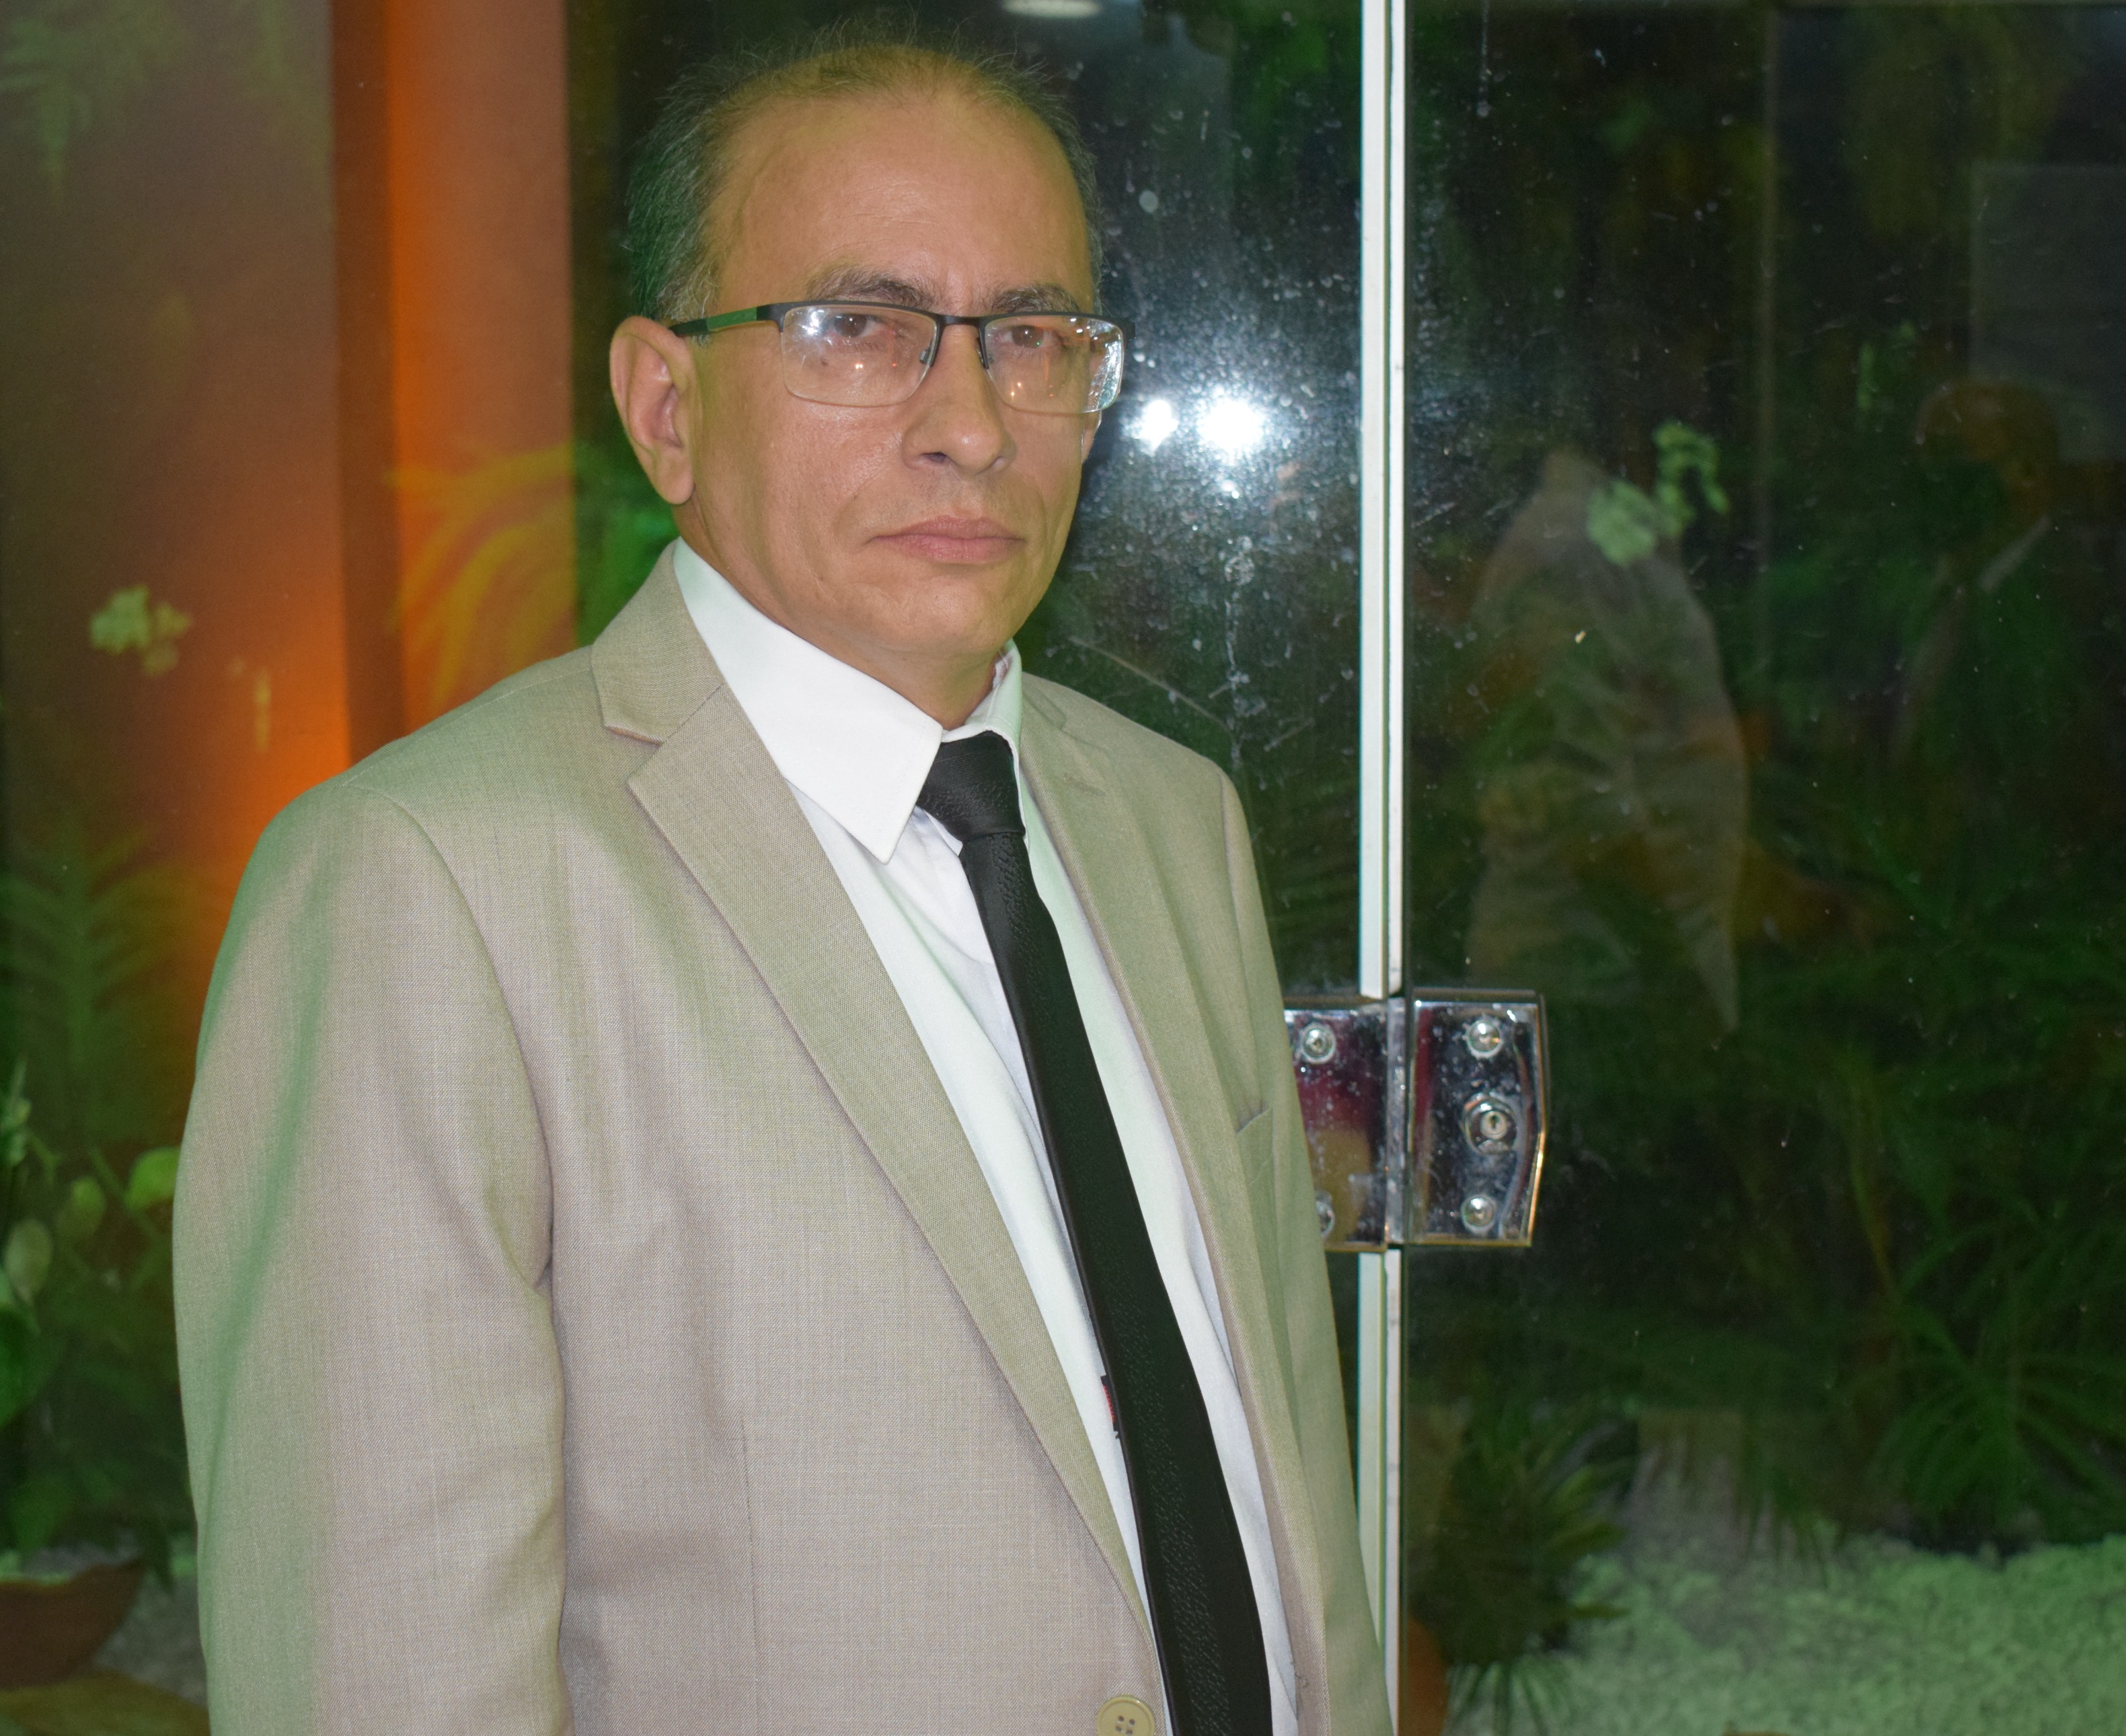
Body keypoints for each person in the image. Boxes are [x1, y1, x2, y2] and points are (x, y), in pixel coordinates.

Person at [176, 24, 1383, 1735]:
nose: (969, 423)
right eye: (860, 330)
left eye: (1031, 337)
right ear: (666, 408)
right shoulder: (429, 891)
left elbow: (1280, 1511)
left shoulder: (1176, 825)